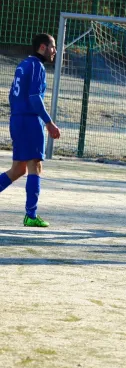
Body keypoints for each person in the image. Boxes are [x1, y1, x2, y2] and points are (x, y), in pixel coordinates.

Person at [0, 33, 61, 227]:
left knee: (18, 169)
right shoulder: (36, 66)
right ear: (42, 47)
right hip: (29, 121)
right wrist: (49, 122)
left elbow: (13, 95)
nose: (55, 51)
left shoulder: (23, 65)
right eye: (53, 47)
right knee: (36, 165)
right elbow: (35, 97)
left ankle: (31, 215)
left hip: (17, 119)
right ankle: (31, 216)